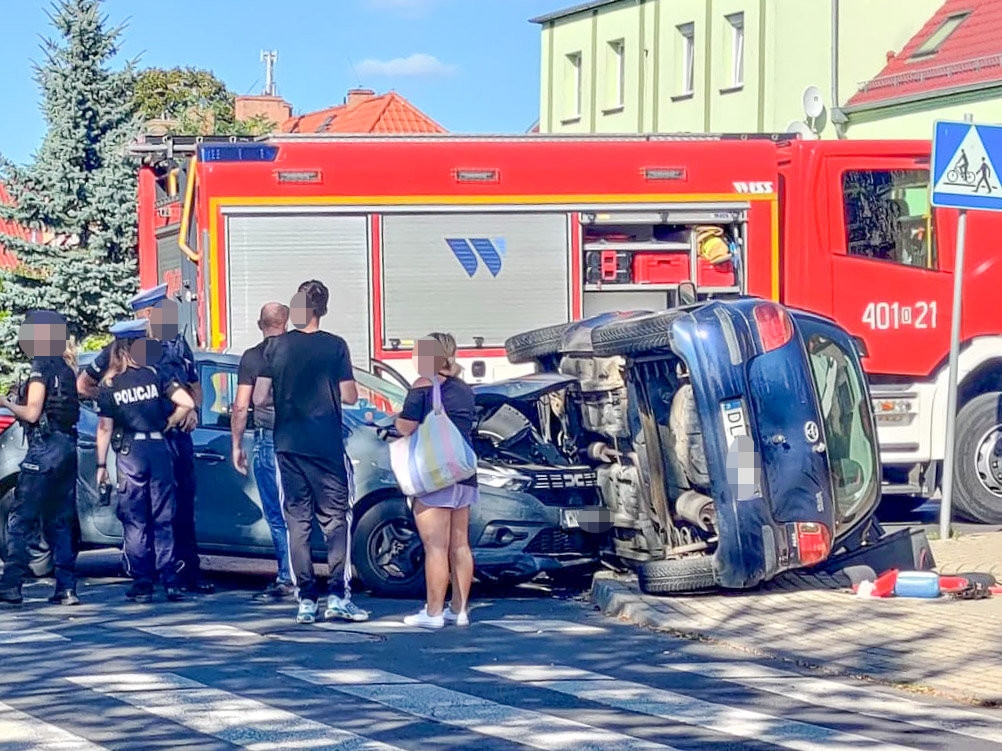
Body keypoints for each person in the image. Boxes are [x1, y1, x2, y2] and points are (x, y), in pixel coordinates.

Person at [78, 284, 212, 594]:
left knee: (179, 507)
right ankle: (147, 574)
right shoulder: (120, 349)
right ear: (148, 315)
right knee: (142, 512)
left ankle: (185, 573)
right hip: (139, 440)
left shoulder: (175, 344)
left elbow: (194, 386)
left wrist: (192, 411)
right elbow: (84, 385)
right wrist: (117, 404)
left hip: (175, 438)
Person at [255, 280, 369, 624]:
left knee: (297, 523)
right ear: (324, 309)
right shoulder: (335, 347)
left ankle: (306, 599)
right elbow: (350, 396)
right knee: (335, 521)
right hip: (326, 446)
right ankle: (337, 595)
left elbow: (259, 397)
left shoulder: (275, 347)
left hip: (288, 445)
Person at [95, 320, 195, 603]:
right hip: (159, 448)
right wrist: (171, 421)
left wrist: (101, 466)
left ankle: (142, 582)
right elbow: (187, 402)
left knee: (135, 519)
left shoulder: (110, 385)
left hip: (130, 453)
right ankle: (170, 579)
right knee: (164, 516)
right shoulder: (157, 374)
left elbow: (104, 428)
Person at [396, 333, 477, 629]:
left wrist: (394, 421)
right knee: (460, 545)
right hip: (465, 474)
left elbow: (406, 427)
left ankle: (433, 612)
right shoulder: (464, 389)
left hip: (435, 475)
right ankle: (460, 609)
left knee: (435, 547)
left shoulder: (423, 387)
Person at [0, 311, 81, 606]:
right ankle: (67, 588)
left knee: (21, 519)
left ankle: (10, 586)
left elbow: (33, 412)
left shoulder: (42, 365)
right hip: (68, 447)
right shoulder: (67, 368)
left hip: (44, 448)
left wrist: (7, 403)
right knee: (60, 520)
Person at [231, 302, 294, 600]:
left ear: (260, 324)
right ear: (287, 322)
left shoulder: (254, 357)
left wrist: (236, 445)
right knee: (300, 511)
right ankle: (303, 573)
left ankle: (287, 575)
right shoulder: (300, 353)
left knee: (277, 513)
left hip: (269, 438)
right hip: (301, 440)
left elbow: (242, 405)